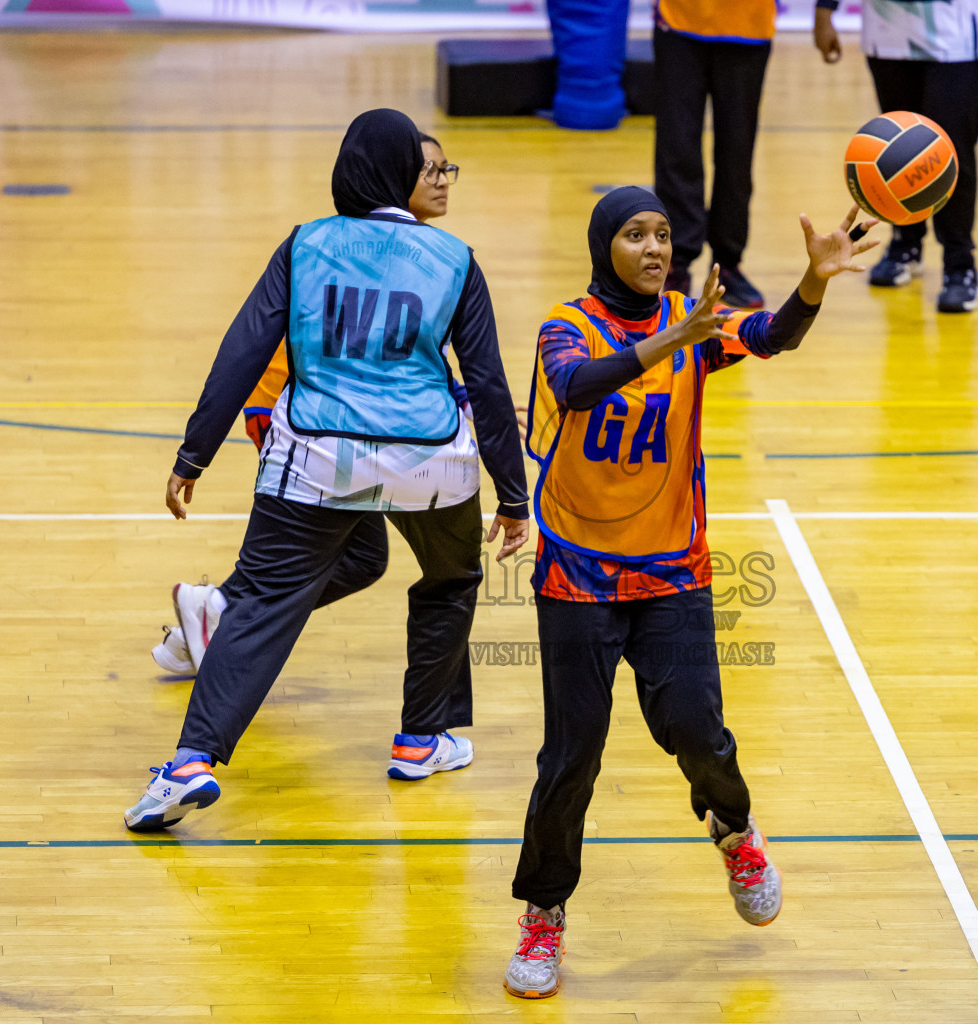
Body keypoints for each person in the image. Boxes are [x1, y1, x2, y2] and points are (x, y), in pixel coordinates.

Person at [501, 186, 879, 998]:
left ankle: (735, 831)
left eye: (664, 235)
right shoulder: (566, 325)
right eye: (636, 234)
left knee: (697, 730)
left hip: (672, 568)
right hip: (577, 571)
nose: (655, 248)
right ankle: (543, 914)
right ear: (605, 245)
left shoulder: (696, 318)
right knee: (572, 757)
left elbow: (772, 336)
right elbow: (574, 387)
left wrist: (812, 282)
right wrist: (675, 337)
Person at [123, 109, 529, 832]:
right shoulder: (455, 258)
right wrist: (514, 496)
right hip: (431, 464)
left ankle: (189, 763)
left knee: (266, 602)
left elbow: (243, 348)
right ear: (407, 173)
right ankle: (419, 740)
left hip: (314, 457)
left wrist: (195, 453)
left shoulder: (307, 243)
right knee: (451, 580)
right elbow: (490, 384)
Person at [152, 131, 464, 680]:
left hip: (332, 414)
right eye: (429, 171)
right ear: (393, 180)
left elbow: (405, 356)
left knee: (361, 558)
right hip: (298, 411)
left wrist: (465, 397)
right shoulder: (367, 245)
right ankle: (223, 615)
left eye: (447, 169)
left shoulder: (418, 252)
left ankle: (208, 623)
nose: (442, 181)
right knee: (341, 556)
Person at [813, 0, 978, 313]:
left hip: (961, 30)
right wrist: (824, 11)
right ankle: (905, 245)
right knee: (896, 153)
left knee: (951, 154)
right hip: (889, 31)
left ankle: (959, 263)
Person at [652, 0, 777, 309]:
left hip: (748, 25)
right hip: (678, 21)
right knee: (677, 148)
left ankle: (728, 264)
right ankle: (675, 263)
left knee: (737, 153)